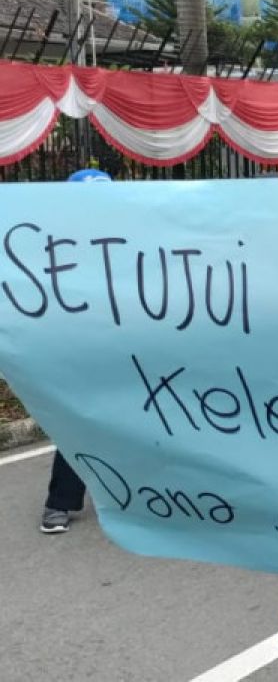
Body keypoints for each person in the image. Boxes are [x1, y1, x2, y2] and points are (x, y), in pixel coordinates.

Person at [39, 168, 115, 534]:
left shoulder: (133, 237)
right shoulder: (53, 243)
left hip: (121, 346)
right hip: (76, 350)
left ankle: (139, 498)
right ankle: (60, 503)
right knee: (79, 425)